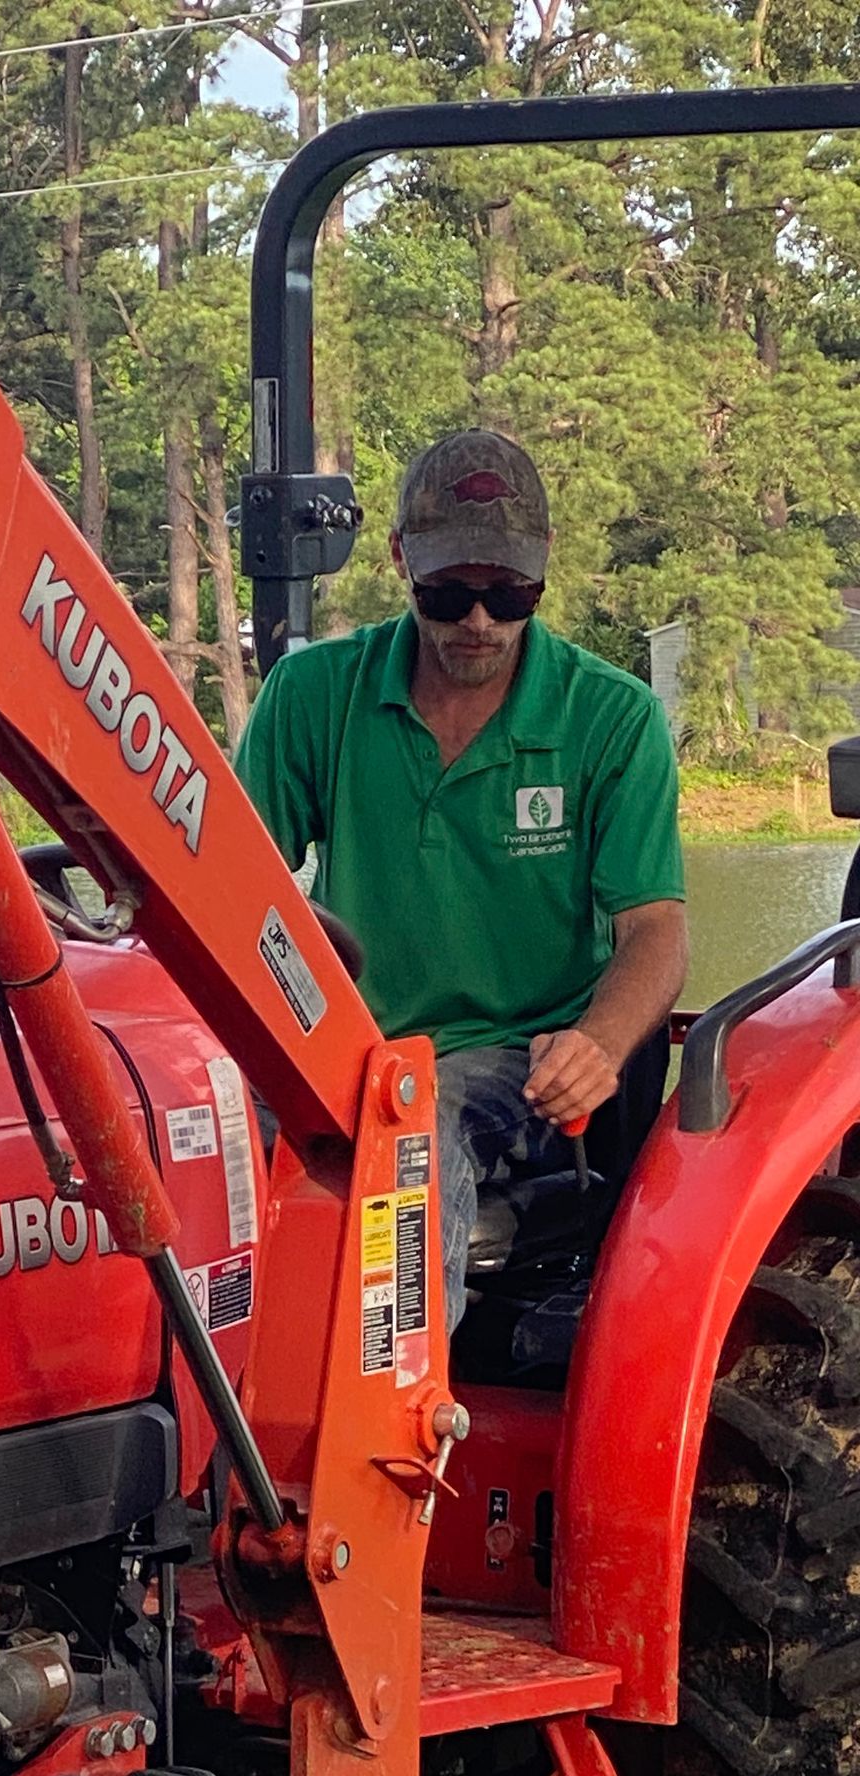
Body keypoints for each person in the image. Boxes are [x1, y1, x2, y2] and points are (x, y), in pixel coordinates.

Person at [234, 429, 687, 1331]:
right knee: (176, 1117)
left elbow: (654, 933)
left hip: (519, 1056)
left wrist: (596, 1045)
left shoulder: (610, 718)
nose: (479, 621)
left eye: (509, 593)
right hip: (346, 1051)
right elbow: (232, 888)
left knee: (417, 1134)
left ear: (543, 570)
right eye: (449, 593)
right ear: (401, 559)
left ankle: (394, 1434)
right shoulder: (314, 695)